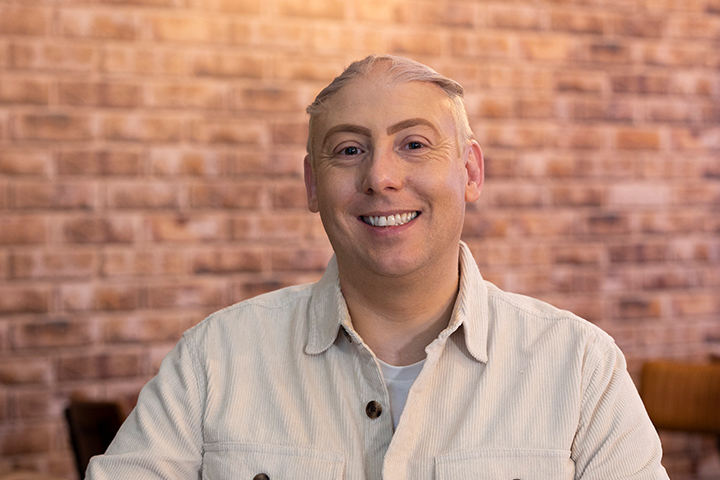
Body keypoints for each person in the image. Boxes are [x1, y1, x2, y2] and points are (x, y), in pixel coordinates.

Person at [86, 54, 669, 479]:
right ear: (313, 185)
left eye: (414, 144)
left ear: (470, 171)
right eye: (348, 149)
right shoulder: (213, 359)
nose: (380, 177)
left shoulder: (581, 369)